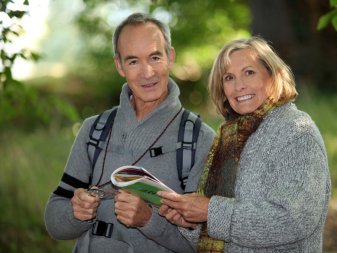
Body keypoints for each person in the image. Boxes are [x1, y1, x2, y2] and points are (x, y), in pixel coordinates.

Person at [44, 12, 215, 253]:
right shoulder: (94, 129)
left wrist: (149, 221)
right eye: (133, 61)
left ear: (170, 56)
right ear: (119, 66)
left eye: (155, 57)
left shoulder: (198, 139)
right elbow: (54, 222)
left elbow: (205, 244)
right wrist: (75, 213)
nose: (147, 73)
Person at [158, 36, 331, 252]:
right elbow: (223, 234)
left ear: (272, 75)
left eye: (249, 72)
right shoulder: (229, 138)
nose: (239, 86)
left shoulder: (296, 131)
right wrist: (190, 222)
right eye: (229, 78)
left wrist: (210, 211)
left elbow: (295, 221)